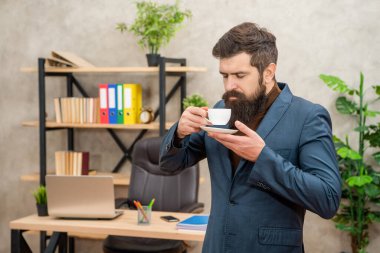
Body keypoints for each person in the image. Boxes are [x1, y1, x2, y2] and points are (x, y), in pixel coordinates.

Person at [159, 22, 341, 253]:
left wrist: (263, 157)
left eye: (239, 75)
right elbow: (169, 166)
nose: (229, 86)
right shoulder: (219, 110)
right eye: (224, 75)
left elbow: (327, 199)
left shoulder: (307, 117)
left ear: (268, 72)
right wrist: (179, 133)